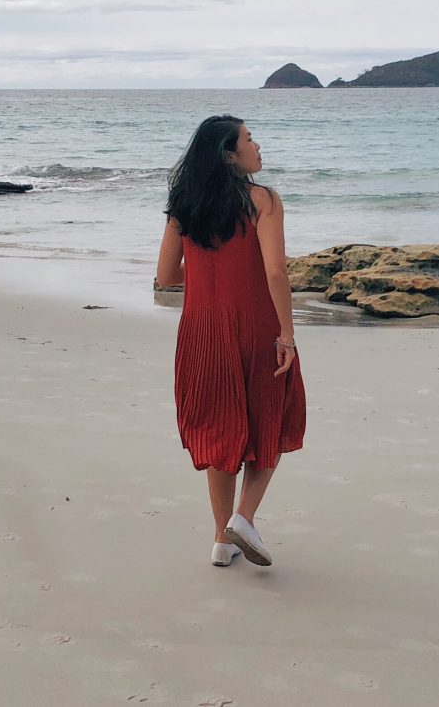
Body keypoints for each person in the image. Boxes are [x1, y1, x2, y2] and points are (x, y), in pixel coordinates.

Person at [155, 115, 306, 567]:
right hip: (256, 327)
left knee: (219, 431)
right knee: (272, 421)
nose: (257, 145)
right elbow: (275, 271)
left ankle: (222, 541)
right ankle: (244, 517)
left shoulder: (185, 204)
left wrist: (205, 278)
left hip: (201, 331)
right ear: (228, 153)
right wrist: (287, 334)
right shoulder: (264, 199)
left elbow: (165, 278)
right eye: (249, 139)